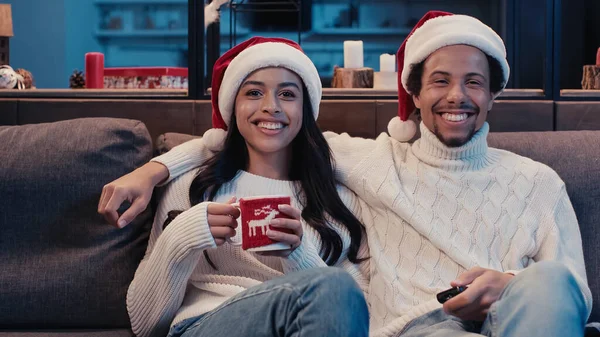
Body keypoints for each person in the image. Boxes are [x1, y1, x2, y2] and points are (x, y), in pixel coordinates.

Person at [102, 11, 592, 337]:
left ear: (492, 94)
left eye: (474, 83)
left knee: (548, 280)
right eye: (440, 81)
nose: (456, 97)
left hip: (521, 318)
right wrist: (157, 174)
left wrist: (508, 285)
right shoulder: (375, 163)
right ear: (415, 96)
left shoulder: (340, 192)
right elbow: (147, 322)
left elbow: (573, 294)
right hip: (421, 326)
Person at [98, 37, 370, 337]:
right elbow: (145, 323)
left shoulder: (339, 201)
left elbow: (357, 313)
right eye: (254, 92)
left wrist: (298, 253)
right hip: (207, 324)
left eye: (288, 94)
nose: (271, 107)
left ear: (304, 109)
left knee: (335, 287)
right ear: (233, 106)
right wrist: (182, 236)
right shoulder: (192, 186)